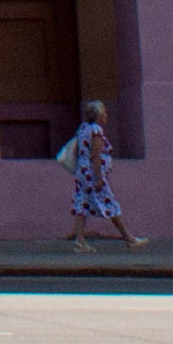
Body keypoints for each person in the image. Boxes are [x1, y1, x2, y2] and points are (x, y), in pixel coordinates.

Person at [56, 99, 142, 248]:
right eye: (104, 113)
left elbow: (78, 151)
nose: (106, 116)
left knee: (82, 203)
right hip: (92, 174)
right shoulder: (96, 131)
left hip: (82, 172)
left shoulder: (83, 129)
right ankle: (129, 238)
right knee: (108, 202)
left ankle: (80, 239)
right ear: (99, 115)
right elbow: (95, 154)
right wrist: (99, 177)